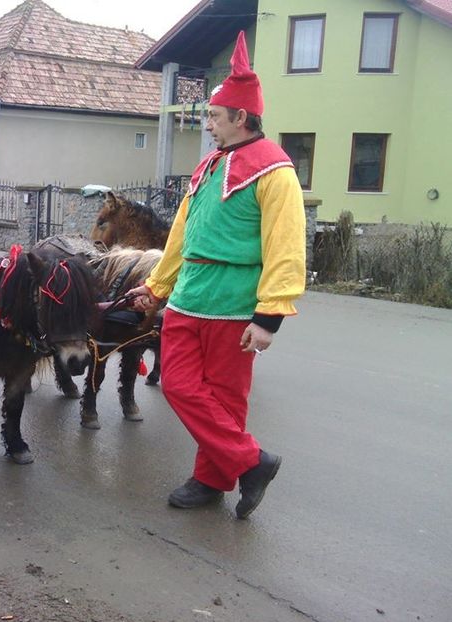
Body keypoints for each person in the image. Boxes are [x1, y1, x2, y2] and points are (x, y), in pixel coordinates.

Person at [128, 31, 306, 519]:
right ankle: (253, 462)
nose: (208, 125)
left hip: (234, 303)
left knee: (226, 399)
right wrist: (157, 286)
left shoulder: (275, 171)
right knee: (181, 385)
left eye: (214, 116)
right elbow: (182, 235)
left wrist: (269, 316)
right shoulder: (207, 167)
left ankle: (212, 479)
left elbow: (286, 248)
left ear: (241, 117)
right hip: (188, 297)